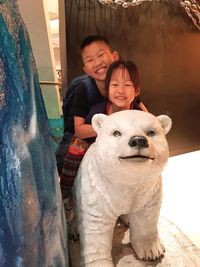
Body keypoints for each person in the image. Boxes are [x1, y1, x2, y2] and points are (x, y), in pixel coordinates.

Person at [62, 59, 148, 223]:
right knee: (75, 149)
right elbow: (81, 132)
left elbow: (151, 124)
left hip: (124, 150)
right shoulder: (98, 110)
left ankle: (127, 206)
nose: (121, 90)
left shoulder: (138, 112)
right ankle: (65, 193)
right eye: (115, 85)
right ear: (107, 89)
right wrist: (109, 125)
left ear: (136, 90)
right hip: (95, 144)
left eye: (127, 85)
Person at [56, 35, 119, 176]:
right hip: (84, 137)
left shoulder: (125, 83)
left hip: (116, 136)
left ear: (114, 57)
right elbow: (76, 130)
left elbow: (141, 111)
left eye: (101, 55)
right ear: (86, 69)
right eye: (90, 60)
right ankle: (65, 194)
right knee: (65, 161)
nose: (97, 62)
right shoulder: (83, 88)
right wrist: (111, 128)